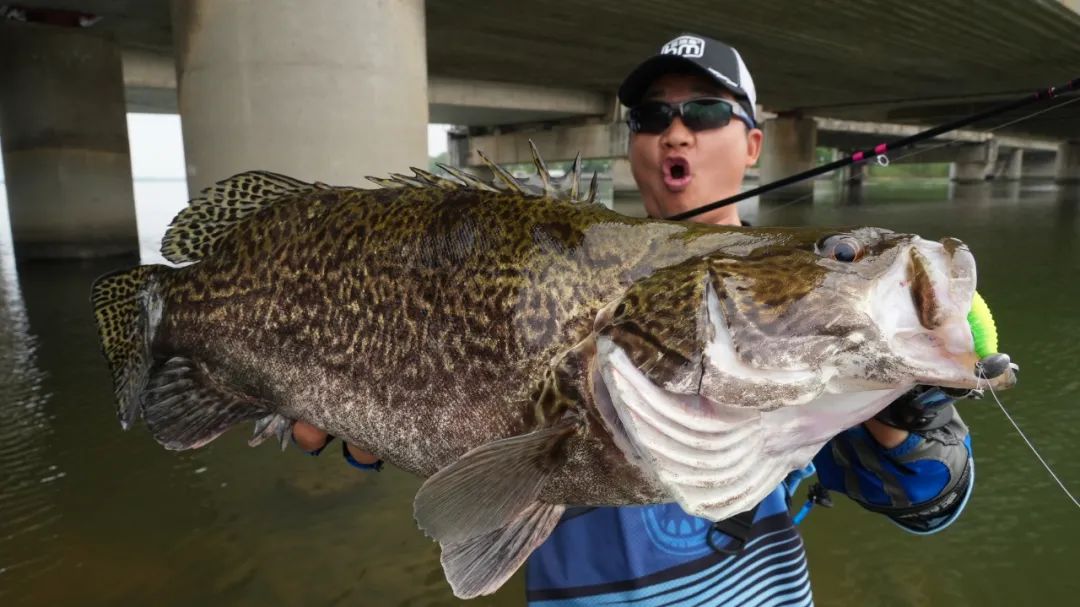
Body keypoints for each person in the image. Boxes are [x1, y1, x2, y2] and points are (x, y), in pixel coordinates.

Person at [293, 33, 975, 607]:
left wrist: (904, 403)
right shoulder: (559, 266)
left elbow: (929, 503)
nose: (675, 130)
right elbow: (465, 480)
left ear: (754, 143)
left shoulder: (802, 313)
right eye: (651, 117)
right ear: (634, 146)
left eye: (705, 110)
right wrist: (385, 413)